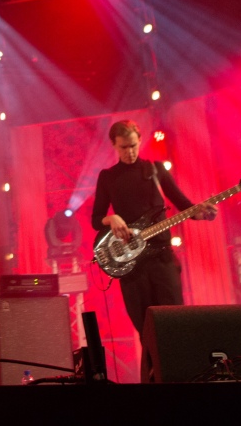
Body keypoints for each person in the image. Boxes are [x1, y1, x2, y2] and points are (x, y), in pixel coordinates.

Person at [90, 120, 217, 339]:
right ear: (114, 145)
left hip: (162, 258)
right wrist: (111, 219)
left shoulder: (155, 170)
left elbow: (185, 206)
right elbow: (95, 219)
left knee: (175, 323)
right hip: (132, 264)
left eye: (133, 145)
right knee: (147, 330)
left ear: (140, 140)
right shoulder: (108, 177)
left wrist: (202, 213)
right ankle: (153, 373)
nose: (130, 152)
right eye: (123, 147)